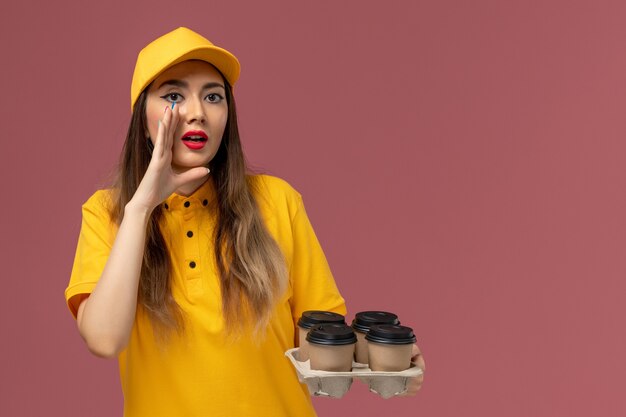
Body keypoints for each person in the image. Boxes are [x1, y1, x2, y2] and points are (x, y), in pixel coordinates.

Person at [65, 27, 425, 417]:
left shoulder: (277, 201)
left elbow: (320, 339)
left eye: (213, 96)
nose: (197, 112)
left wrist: (388, 355)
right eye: (173, 95)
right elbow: (103, 339)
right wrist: (141, 208)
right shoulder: (109, 213)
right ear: (143, 116)